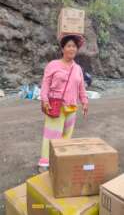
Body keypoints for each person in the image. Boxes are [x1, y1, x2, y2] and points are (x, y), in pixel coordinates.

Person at [38, 35, 88, 171]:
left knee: (66, 136)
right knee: (51, 135)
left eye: (74, 46)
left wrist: (84, 101)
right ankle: (44, 163)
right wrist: (44, 99)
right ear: (63, 48)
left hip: (72, 107)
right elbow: (45, 84)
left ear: (77, 50)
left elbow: (81, 87)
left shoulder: (78, 68)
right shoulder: (53, 65)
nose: (72, 49)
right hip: (55, 106)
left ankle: (59, 160)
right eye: (69, 46)